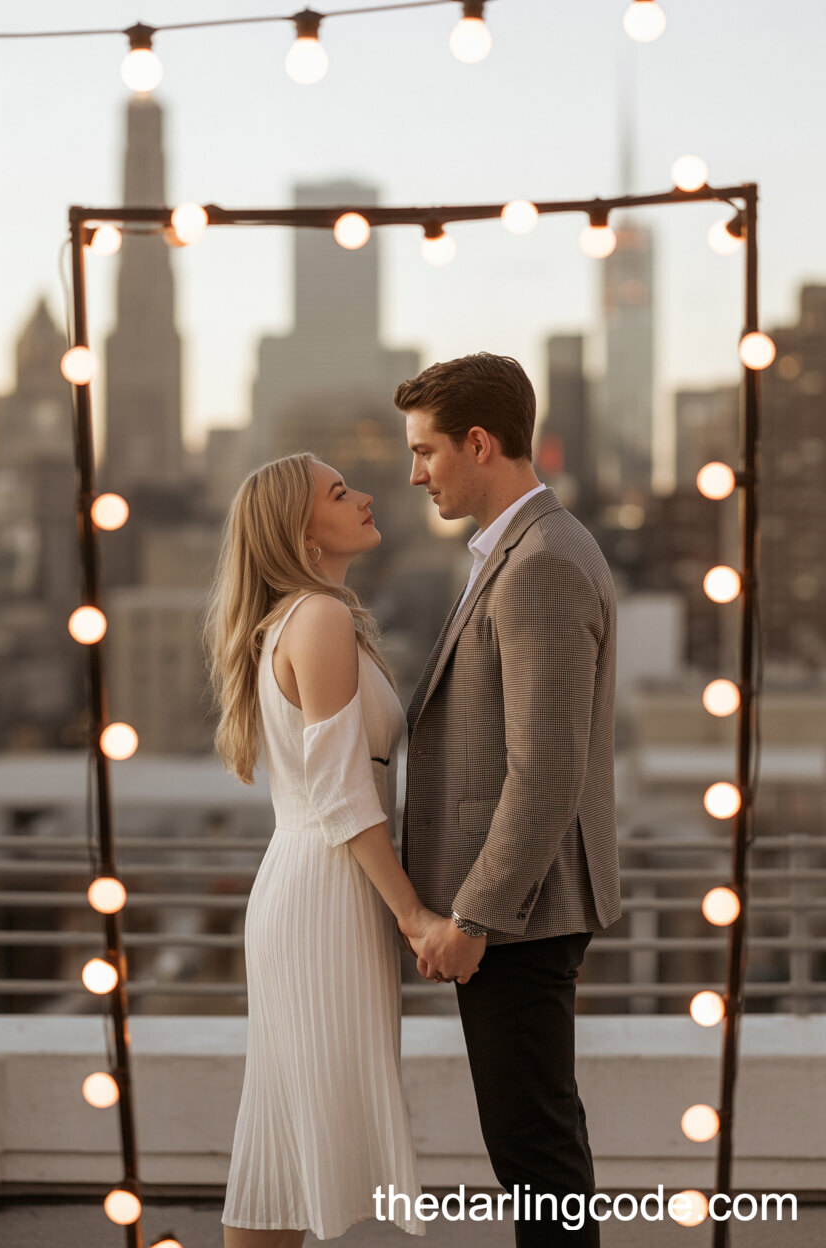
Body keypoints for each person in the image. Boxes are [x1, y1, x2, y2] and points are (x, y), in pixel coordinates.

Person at [204, 454, 470, 1247]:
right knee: (286, 1133)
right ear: (300, 528)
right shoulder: (315, 620)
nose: (363, 497)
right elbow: (344, 794)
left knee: (283, 1144)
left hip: (319, 882)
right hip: (323, 889)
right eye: (339, 492)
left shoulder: (314, 615)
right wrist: (416, 917)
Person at [394, 352, 622, 1247]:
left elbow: (546, 771)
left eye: (427, 452)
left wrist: (475, 918)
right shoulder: (521, 549)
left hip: (522, 913)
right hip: (519, 910)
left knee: (535, 1150)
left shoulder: (540, 566)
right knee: (532, 1145)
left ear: (480, 443)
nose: (415, 474)